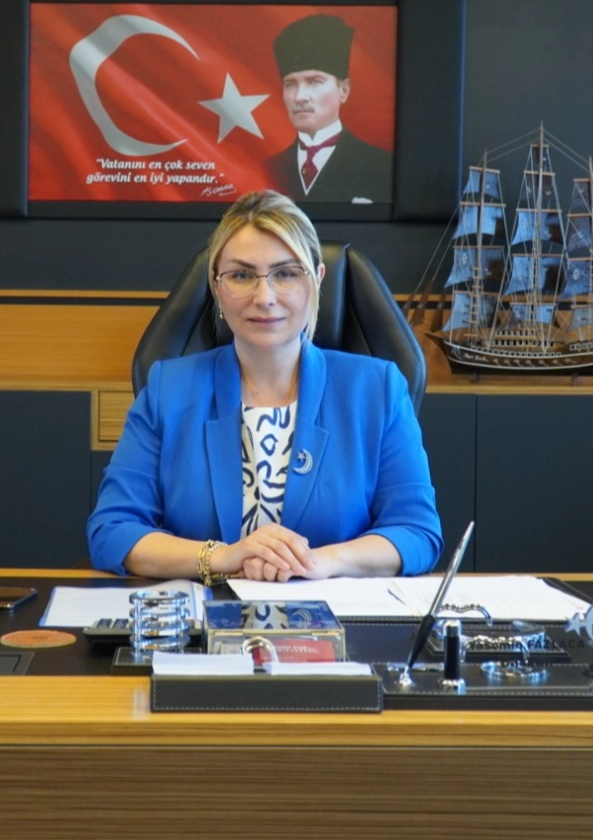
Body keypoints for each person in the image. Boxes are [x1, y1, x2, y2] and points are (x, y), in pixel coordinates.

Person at [87, 190, 442, 582]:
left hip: (337, 616)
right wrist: (224, 556)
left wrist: (319, 563)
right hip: (206, 616)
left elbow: (416, 533)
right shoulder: (167, 390)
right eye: (241, 275)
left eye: (286, 273)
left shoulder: (377, 390)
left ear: (317, 280)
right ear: (216, 286)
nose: (264, 297)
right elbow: (112, 531)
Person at [262, 14, 392, 205]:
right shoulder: (269, 170)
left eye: (314, 82)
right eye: (290, 84)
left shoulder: (382, 166)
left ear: (344, 90)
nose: (299, 97)